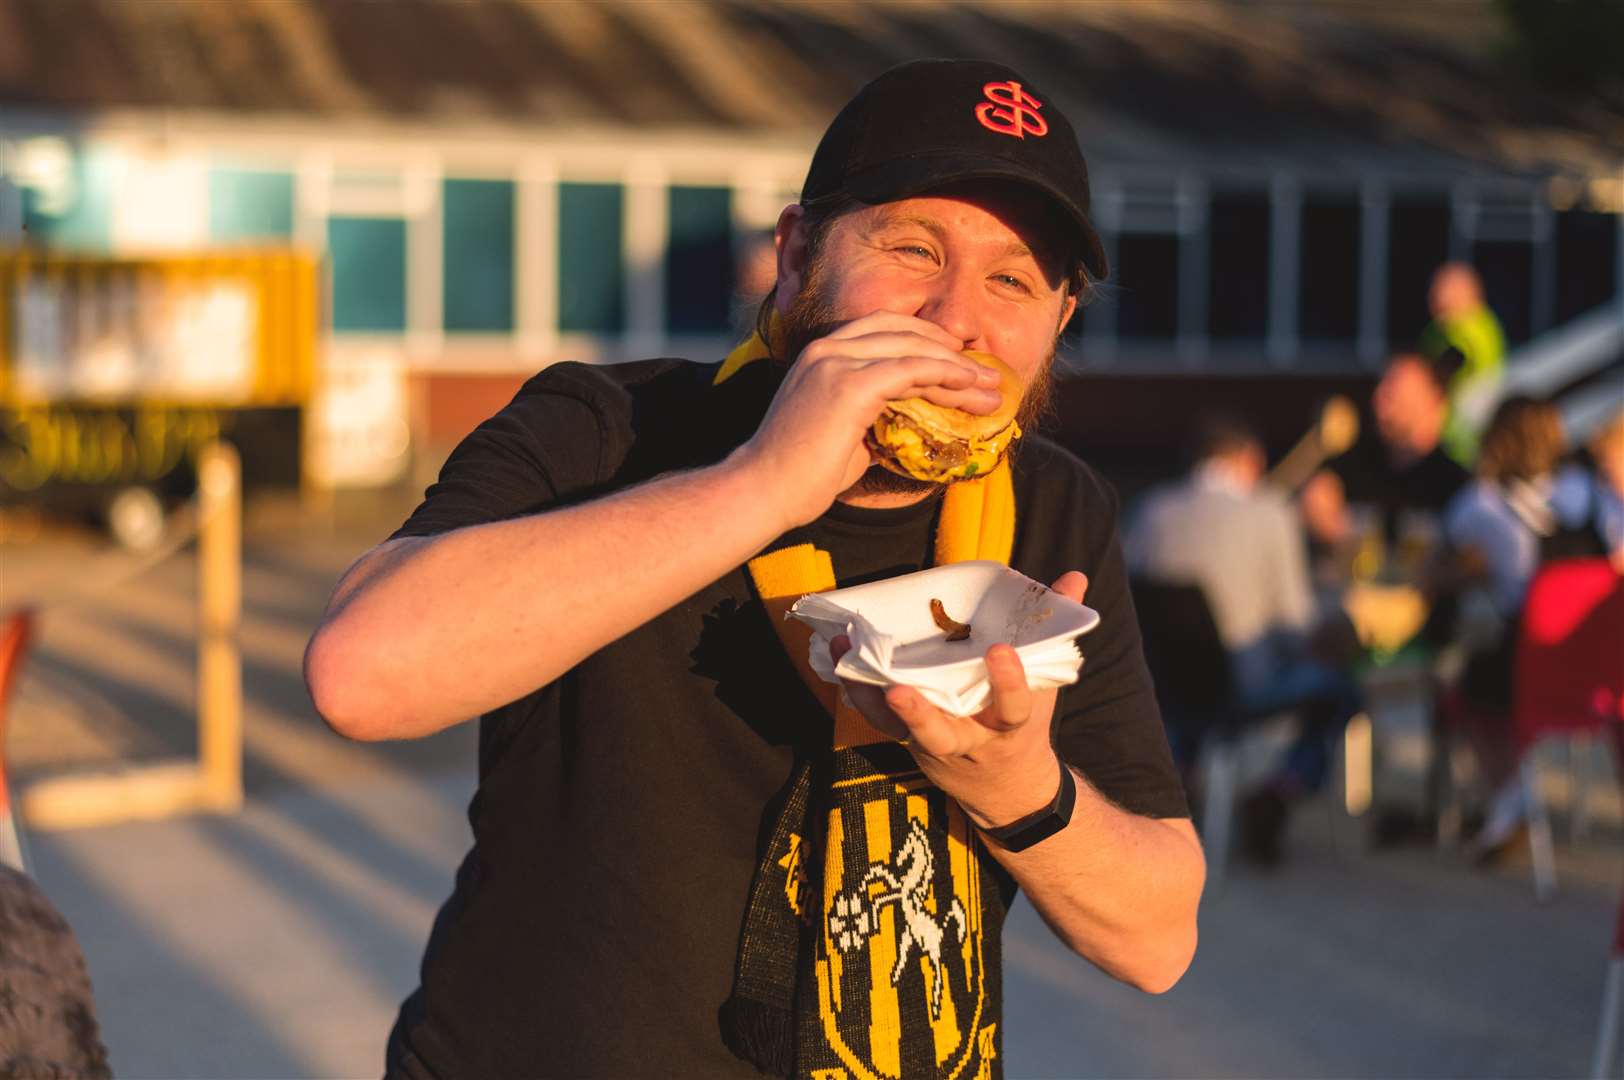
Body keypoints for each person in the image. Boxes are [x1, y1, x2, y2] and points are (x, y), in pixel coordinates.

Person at [305, 59, 1203, 1079]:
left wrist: (1019, 787)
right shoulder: (603, 429)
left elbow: (1156, 939)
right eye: (912, 247)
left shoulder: (1051, 507)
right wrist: (761, 483)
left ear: (1057, 324)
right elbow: (358, 676)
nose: (958, 316)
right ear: (793, 257)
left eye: (1013, 280)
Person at [1127, 415, 1360, 866]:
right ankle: (1282, 789)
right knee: (1340, 690)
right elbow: (1296, 627)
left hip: (1167, 688)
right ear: (1249, 461)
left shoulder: (1153, 510)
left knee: (1191, 672)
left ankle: (1187, 777)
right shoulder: (1269, 513)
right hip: (1242, 686)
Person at [1439, 398, 1568, 860]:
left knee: (1459, 694)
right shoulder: (1581, 493)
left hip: (1519, 661)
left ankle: (1509, 796)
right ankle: (1516, 798)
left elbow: (1448, 564)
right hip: (1584, 663)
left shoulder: (1481, 504)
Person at [1301, 351, 1471, 564]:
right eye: (1381, 385)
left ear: (1434, 399)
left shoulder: (1457, 486)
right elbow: (1319, 499)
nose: (1378, 397)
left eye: (1392, 388)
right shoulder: (1354, 466)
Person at [1419, 263, 1506, 467]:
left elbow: (1458, 358)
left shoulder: (1472, 323)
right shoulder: (1439, 328)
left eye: (1443, 291)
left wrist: (1427, 381)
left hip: (1470, 422)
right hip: (1452, 421)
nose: (1435, 298)